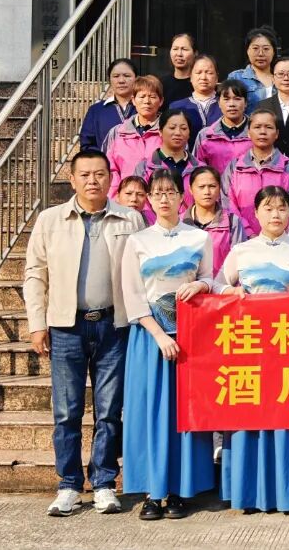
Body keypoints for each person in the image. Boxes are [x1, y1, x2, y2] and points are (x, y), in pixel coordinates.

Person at [22, 149, 147, 516]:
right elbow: (35, 273)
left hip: (114, 325)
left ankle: (105, 482)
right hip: (66, 327)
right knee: (67, 411)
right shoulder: (50, 220)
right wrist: (36, 323)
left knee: (109, 410)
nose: (93, 180)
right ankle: (69, 484)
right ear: (72, 179)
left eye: (100, 174)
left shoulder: (130, 219)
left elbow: (145, 270)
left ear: (110, 178)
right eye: (85, 174)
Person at [215, 186, 289, 514]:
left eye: (281, 208)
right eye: (268, 208)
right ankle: (248, 493)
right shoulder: (242, 250)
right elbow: (219, 284)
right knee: (249, 413)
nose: (275, 214)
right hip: (249, 348)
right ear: (256, 213)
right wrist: (231, 292)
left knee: (287, 415)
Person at [120, 168, 214, 521]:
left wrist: (201, 285)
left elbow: (210, 277)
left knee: (184, 412)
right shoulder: (138, 241)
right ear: (148, 199)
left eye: (170, 192)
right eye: (157, 193)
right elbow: (132, 295)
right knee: (151, 413)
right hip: (150, 339)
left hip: (191, 338)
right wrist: (158, 335)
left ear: (181, 197)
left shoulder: (199, 238)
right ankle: (151, 492)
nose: (163, 199)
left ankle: (179, 489)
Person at [220, 108, 289, 238]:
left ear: (277, 134)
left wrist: (271, 235)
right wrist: (248, 233)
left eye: (269, 127)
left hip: (276, 239)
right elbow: (228, 204)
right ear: (248, 133)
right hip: (240, 238)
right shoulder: (235, 166)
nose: (263, 131)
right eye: (257, 127)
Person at [132, 108, 203, 221]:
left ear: (189, 133)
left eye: (183, 128)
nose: (178, 133)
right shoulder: (145, 167)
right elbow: (141, 202)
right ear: (160, 131)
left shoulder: (200, 169)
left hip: (191, 228)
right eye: (172, 128)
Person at [103, 75, 164, 198]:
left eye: (152, 97)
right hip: (124, 201)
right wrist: (115, 199)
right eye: (142, 96)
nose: (147, 101)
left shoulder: (169, 132)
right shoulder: (117, 132)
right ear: (133, 100)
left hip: (159, 201)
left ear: (161, 101)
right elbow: (110, 169)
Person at [182, 166, 245, 274]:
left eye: (212, 186)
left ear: (219, 188)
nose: (207, 192)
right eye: (201, 187)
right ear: (191, 189)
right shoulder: (180, 221)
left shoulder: (232, 221)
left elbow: (238, 261)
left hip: (222, 283)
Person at [194, 79, 252, 176]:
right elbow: (198, 171)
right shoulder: (205, 135)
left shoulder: (257, 134)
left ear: (245, 103)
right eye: (226, 99)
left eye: (237, 99)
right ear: (219, 103)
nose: (232, 104)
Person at [79, 59, 137, 151]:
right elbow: (87, 144)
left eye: (127, 76)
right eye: (116, 76)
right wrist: (103, 158)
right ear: (109, 80)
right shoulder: (96, 110)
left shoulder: (146, 108)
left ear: (136, 79)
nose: (121, 80)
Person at [168, 54, 220, 150]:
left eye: (209, 73)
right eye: (198, 72)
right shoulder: (176, 107)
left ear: (217, 77)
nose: (203, 77)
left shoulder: (226, 106)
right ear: (191, 77)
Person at [226, 26, 276, 114]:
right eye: (255, 48)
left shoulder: (281, 77)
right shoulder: (236, 77)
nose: (261, 53)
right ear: (247, 51)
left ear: (274, 51)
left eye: (266, 49)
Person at [158, 33, 195, 105]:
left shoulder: (200, 84)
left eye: (184, 49)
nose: (179, 54)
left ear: (195, 53)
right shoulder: (161, 84)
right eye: (175, 49)